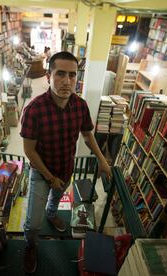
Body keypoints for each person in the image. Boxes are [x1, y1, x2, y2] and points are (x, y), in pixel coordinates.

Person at [20, 51, 112, 273]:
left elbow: (88, 136)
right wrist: (50, 178)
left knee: (56, 200)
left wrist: (102, 160)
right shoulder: (34, 110)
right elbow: (29, 151)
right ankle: (31, 245)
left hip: (66, 169)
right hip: (42, 173)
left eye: (72, 75)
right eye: (60, 74)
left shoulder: (80, 106)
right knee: (33, 223)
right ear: (48, 77)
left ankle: (52, 214)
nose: (67, 81)